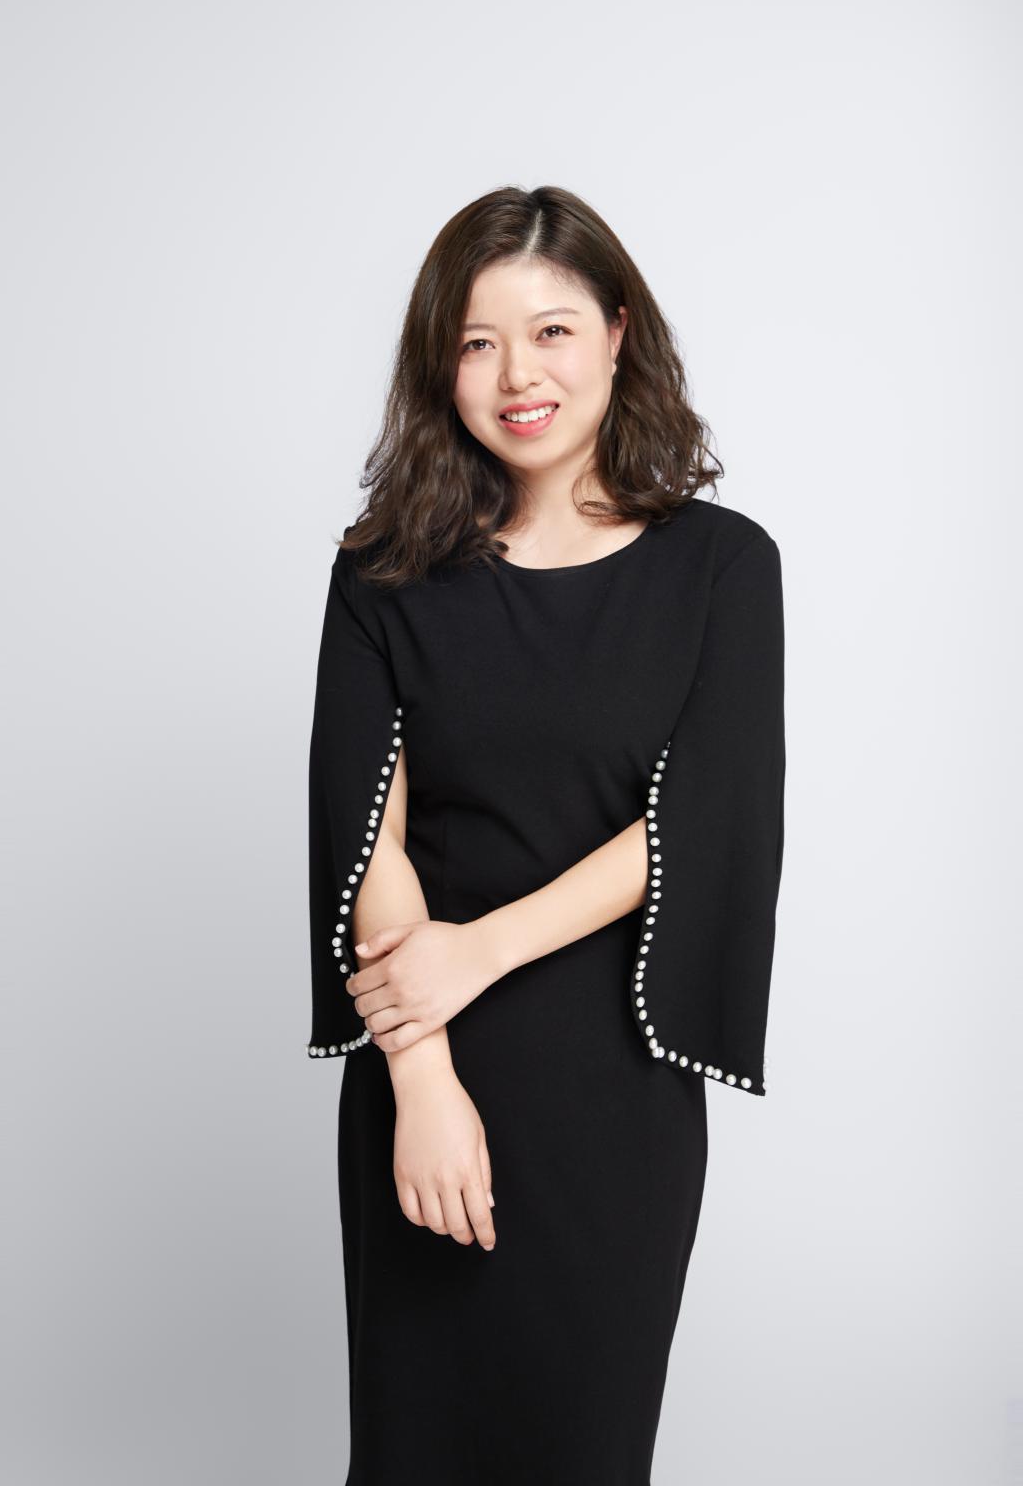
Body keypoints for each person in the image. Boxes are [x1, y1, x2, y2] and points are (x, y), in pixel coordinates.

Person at [306, 184, 786, 1485]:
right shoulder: (382, 572)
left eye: (552, 331)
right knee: (412, 1452)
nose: (518, 374)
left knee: (585, 1450)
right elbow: (366, 835)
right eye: (478, 342)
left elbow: (702, 816)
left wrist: (477, 952)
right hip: (424, 1063)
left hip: (612, 1080)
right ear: (440, 363)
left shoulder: (722, 568)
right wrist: (421, 1081)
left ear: (619, 334)